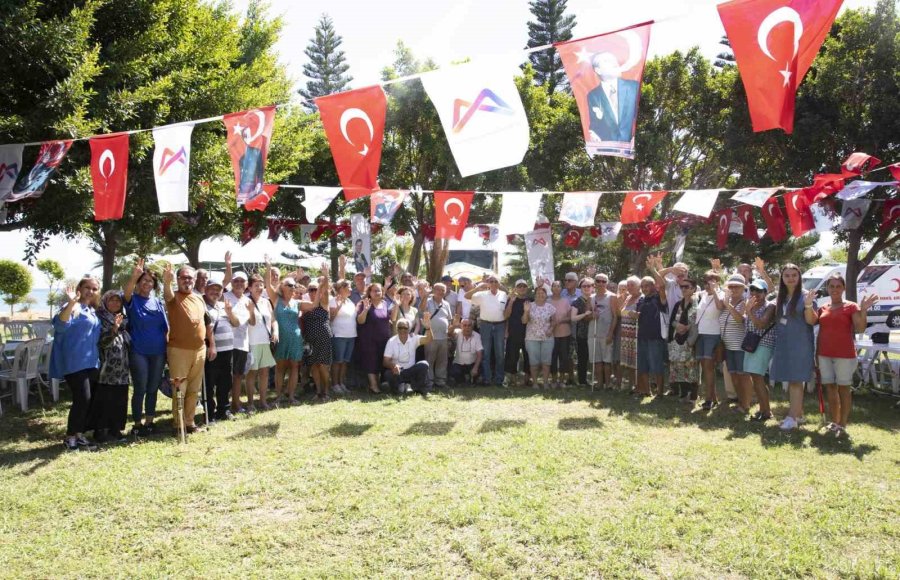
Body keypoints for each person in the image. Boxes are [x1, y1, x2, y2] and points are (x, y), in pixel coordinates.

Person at [816, 274, 877, 437]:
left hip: (844, 354)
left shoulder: (851, 306)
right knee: (830, 387)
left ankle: (842, 423)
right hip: (824, 354)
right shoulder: (823, 307)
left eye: (838, 286)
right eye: (831, 286)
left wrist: (863, 310)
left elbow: (860, 328)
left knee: (843, 388)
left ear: (843, 288)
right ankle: (834, 421)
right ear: (827, 288)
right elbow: (819, 330)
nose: (835, 289)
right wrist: (816, 354)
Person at [51, 277, 102, 451]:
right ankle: (70, 437)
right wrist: (71, 303)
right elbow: (60, 326)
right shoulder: (71, 307)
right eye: (87, 287)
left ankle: (79, 436)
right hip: (74, 362)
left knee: (87, 401)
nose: (91, 291)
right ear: (80, 288)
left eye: (94, 289)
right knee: (82, 399)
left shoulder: (91, 310)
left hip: (91, 362)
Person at [163, 265, 213, 434]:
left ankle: (189, 422)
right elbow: (168, 294)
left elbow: (206, 322)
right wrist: (167, 282)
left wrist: (210, 344)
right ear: (178, 280)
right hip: (179, 350)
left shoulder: (199, 299)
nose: (187, 281)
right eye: (184, 277)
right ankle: (179, 424)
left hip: (199, 350)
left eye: (190, 278)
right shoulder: (173, 297)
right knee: (180, 389)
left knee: (194, 389)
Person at [123, 258, 168, 436]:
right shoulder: (132, 300)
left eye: (150, 281)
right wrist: (133, 277)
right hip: (139, 351)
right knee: (140, 388)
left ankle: (150, 421)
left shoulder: (158, 302)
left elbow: (165, 327)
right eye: (143, 280)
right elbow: (125, 296)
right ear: (138, 283)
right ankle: (137, 423)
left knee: (152, 388)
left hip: (158, 351)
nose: (147, 283)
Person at [770, 264, 818, 431]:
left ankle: (792, 418)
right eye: (787, 276)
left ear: (799, 277)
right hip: (784, 343)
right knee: (791, 380)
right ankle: (799, 414)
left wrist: (808, 305)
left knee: (795, 380)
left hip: (800, 344)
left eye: (794, 275)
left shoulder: (806, 296)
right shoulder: (781, 297)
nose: (790, 278)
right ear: (782, 279)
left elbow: (812, 321)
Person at [623, 258, 667, 397]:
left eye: (647, 285)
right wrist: (634, 315)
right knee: (642, 365)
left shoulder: (659, 297)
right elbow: (639, 314)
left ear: (654, 286)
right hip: (641, 336)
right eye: (642, 286)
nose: (644, 288)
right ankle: (646, 391)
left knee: (656, 365)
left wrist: (653, 269)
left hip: (655, 337)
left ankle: (659, 392)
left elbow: (662, 285)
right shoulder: (642, 299)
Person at [90, 290, 130, 443]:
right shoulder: (99, 318)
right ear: (105, 302)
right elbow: (102, 342)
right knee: (105, 399)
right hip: (106, 369)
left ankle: (116, 430)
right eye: (111, 300)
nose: (115, 303)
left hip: (122, 368)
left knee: (120, 399)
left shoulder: (124, 319)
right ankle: (101, 431)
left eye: (118, 301)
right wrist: (114, 328)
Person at [203, 275, 241, 421]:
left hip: (227, 351)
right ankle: (210, 413)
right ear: (206, 290)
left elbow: (236, 323)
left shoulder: (224, 306)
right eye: (212, 289)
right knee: (209, 383)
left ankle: (223, 410)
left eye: (218, 290)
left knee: (225, 382)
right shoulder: (202, 306)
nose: (215, 292)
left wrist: (230, 312)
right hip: (211, 351)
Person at [265, 265, 303, 406]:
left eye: (294, 285)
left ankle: (291, 397)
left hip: (295, 338)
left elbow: (315, 304)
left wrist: (322, 287)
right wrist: (268, 267)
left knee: (294, 367)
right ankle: (278, 397)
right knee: (280, 368)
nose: (293, 287)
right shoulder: (276, 299)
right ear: (282, 287)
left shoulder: (296, 303)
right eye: (290, 285)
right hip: (281, 338)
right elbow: (268, 284)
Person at [587, 51, 640, 143]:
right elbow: (595, 124)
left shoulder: (633, 87)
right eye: (607, 61)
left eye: (614, 60)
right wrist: (592, 133)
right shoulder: (593, 95)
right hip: (609, 150)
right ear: (598, 70)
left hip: (635, 147)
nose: (614, 63)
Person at [465, 276, 509, 386]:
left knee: (499, 354)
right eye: (491, 281)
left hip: (500, 326)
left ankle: (499, 379)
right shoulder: (482, 294)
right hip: (486, 325)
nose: (493, 283)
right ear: (488, 283)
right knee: (486, 353)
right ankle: (487, 379)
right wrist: (478, 288)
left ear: (499, 284)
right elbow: (467, 296)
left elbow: (507, 312)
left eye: (496, 281)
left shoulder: (504, 295)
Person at [743, 279, 777, 422]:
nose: (755, 293)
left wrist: (748, 311)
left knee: (757, 377)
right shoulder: (751, 305)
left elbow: (761, 324)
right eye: (753, 290)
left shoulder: (770, 306)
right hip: (752, 345)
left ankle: (766, 412)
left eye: (759, 290)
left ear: (765, 292)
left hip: (763, 345)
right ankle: (763, 409)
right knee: (756, 379)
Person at [719, 274, 751, 414]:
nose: (734, 289)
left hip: (740, 346)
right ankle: (740, 402)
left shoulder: (745, 301)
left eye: (737, 286)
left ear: (743, 288)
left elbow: (739, 320)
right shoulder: (726, 302)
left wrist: (728, 305)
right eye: (731, 286)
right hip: (728, 346)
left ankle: (746, 404)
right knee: (734, 376)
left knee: (743, 377)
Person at [223, 271, 254, 416]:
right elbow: (233, 322)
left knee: (237, 376)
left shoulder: (248, 301)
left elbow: (247, 322)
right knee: (225, 377)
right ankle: (224, 406)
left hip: (242, 344)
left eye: (242, 281)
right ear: (232, 282)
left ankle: (235, 405)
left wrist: (250, 312)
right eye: (236, 281)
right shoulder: (224, 297)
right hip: (225, 343)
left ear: (246, 284)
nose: (239, 284)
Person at [299, 269, 333, 401]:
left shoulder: (324, 302)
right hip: (309, 339)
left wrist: (325, 276)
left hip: (323, 337)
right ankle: (318, 391)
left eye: (315, 289)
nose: (313, 292)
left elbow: (324, 291)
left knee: (323, 366)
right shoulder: (306, 305)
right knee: (313, 365)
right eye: (310, 290)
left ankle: (326, 391)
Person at [245, 273, 277, 411]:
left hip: (265, 342)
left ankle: (263, 401)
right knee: (251, 374)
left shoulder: (266, 301)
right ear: (250, 287)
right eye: (256, 285)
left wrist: (275, 331)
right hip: (251, 343)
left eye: (261, 285)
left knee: (264, 373)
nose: (259, 288)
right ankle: (251, 403)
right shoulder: (245, 301)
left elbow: (273, 320)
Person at [383, 313, 434, 396]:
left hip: (411, 371)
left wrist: (428, 328)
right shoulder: (391, 341)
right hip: (399, 372)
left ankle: (418, 388)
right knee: (388, 373)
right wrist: (393, 366)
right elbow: (385, 362)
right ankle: (401, 387)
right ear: (397, 329)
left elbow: (429, 339)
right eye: (400, 328)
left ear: (409, 329)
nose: (402, 330)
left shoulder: (413, 338)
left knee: (424, 364)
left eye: (405, 328)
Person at [695, 270, 724, 410]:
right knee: (704, 367)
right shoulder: (703, 295)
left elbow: (720, 307)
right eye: (706, 281)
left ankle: (708, 399)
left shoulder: (722, 294)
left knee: (709, 368)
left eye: (711, 281)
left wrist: (715, 291)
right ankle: (713, 397)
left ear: (717, 282)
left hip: (712, 334)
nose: (708, 284)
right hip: (700, 334)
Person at [356, 283, 392, 393]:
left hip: (384, 338)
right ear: (369, 292)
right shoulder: (364, 303)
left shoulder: (385, 304)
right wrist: (366, 309)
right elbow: (360, 321)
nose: (377, 293)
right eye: (374, 291)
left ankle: (377, 383)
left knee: (380, 361)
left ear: (382, 292)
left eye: (379, 291)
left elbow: (388, 320)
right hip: (369, 339)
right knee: (371, 362)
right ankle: (373, 386)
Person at [667, 279, 698, 402]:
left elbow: (699, 321)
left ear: (693, 289)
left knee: (692, 368)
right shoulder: (677, 304)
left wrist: (688, 327)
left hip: (691, 340)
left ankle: (693, 395)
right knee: (678, 367)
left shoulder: (698, 303)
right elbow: (672, 321)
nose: (684, 289)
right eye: (682, 287)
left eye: (687, 287)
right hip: (677, 340)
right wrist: (678, 326)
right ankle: (683, 393)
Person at [523, 285, 556, 388]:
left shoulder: (550, 307)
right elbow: (524, 321)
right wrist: (526, 311)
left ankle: (546, 383)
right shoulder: (529, 305)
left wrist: (551, 329)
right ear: (535, 295)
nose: (540, 295)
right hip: (532, 338)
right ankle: (535, 383)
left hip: (547, 338)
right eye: (538, 293)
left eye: (543, 293)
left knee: (546, 362)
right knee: (534, 362)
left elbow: (554, 321)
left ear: (546, 295)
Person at [588, 273, 618, 389]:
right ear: (595, 282)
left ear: (607, 283)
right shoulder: (591, 298)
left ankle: (608, 384)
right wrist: (591, 315)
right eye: (598, 281)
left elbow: (615, 316)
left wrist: (611, 333)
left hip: (606, 333)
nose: (601, 283)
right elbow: (586, 316)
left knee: (607, 361)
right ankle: (599, 383)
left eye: (603, 281)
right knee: (597, 361)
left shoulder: (612, 296)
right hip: (593, 333)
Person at [421, 283, 453, 390]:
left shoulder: (446, 304)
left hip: (443, 337)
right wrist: (425, 296)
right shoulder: (428, 301)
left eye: (442, 290)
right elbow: (421, 310)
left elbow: (449, 319)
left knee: (442, 360)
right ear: (433, 290)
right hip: (430, 336)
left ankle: (440, 381)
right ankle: (429, 383)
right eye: (438, 289)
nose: (440, 292)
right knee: (429, 360)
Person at [330, 279, 357, 395]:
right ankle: (335, 384)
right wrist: (338, 308)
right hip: (338, 335)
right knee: (337, 361)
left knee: (345, 362)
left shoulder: (350, 302)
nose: (351, 289)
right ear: (341, 289)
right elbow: (330, 319)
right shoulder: (333, 300)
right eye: (349, 287)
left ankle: (341, 384)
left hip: (351, 335)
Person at [504, 280, 532, 386]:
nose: (521, 288)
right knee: (512, 356)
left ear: (527, 288)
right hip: (513, 332)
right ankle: (512, 379)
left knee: (528, 356)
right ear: (515, 288)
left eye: (524, 286)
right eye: (519, 286)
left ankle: (527, 379)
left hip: (529, 333)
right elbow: (505, 316)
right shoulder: (511, 300)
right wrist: (511, 302)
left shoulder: (531, 300)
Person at [616, 277, 641, 389]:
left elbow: (641, 314)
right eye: (628, 285)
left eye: (632, 285)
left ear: (638, 286)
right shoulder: (628, 297)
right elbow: (620, 312)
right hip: (625, 333)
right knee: (629, 361)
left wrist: (635, 314)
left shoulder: (642, 298)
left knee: (636, 361)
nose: (629, 287)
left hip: (636, 333)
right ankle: (631, 384)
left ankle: (638, 385)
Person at [570, 278, 594, 386]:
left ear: (593, 287)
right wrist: (585, 314)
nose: (586, 288)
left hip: (596, 333)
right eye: (584, 286)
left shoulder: (596, 299)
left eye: (589, 286)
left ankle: (599, 381)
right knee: (583, 358)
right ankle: (582, 381)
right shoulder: (576, 302)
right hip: (582, 334)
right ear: (581, 288)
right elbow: (573, 318)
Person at [549, 281, 573, 388]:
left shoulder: (565, 301)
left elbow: (570, 317)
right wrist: (552, 322)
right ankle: (554, 380)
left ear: (561, 288)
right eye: (554, 286)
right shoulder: (548, 302)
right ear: (551, 288)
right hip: (552, 334)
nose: (556, 288)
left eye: (559, 286)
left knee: (564, 357)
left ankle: (562, 380)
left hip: (565, 333)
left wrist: (562, 320)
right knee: (553, 357)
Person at [449, 317, 483, 385]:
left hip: (472, 364)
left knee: (478, 371)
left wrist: (475, 368)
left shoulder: (477, 336)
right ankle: (464, 380)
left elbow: (479, 354)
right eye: (464, 325)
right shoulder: (458, 333)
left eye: (469, 325)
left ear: (472, 326)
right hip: (459, 364)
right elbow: (449, 333)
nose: (467, 327)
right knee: (455, 373)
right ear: (461, 326)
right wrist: (454, 326)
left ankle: (471, 378)